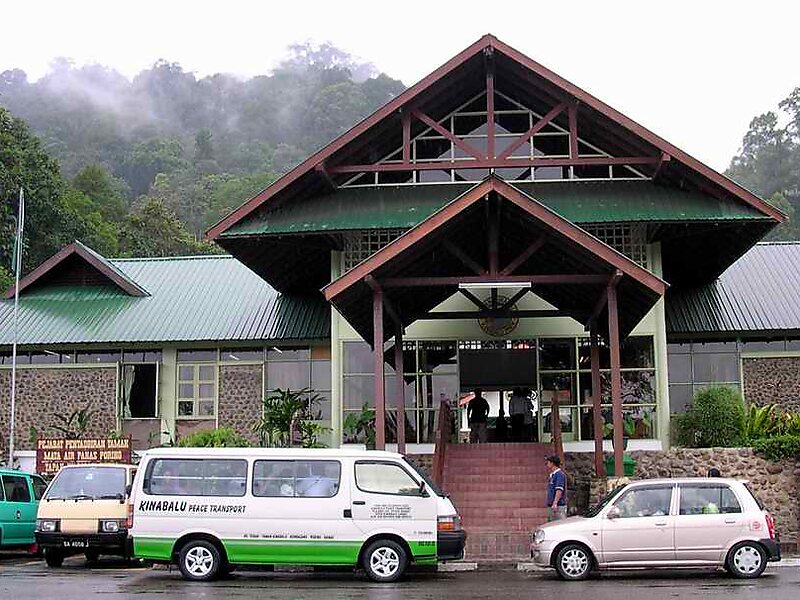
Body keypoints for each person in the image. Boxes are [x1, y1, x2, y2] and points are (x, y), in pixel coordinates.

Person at [545, 454, 567, 521]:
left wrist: (555, 503)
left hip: (558, 505)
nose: (547, 464)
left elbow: (559, 489)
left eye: (548, 462)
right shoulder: (552, 475)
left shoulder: (559, 475)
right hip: (551, 504)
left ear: (552, 463)